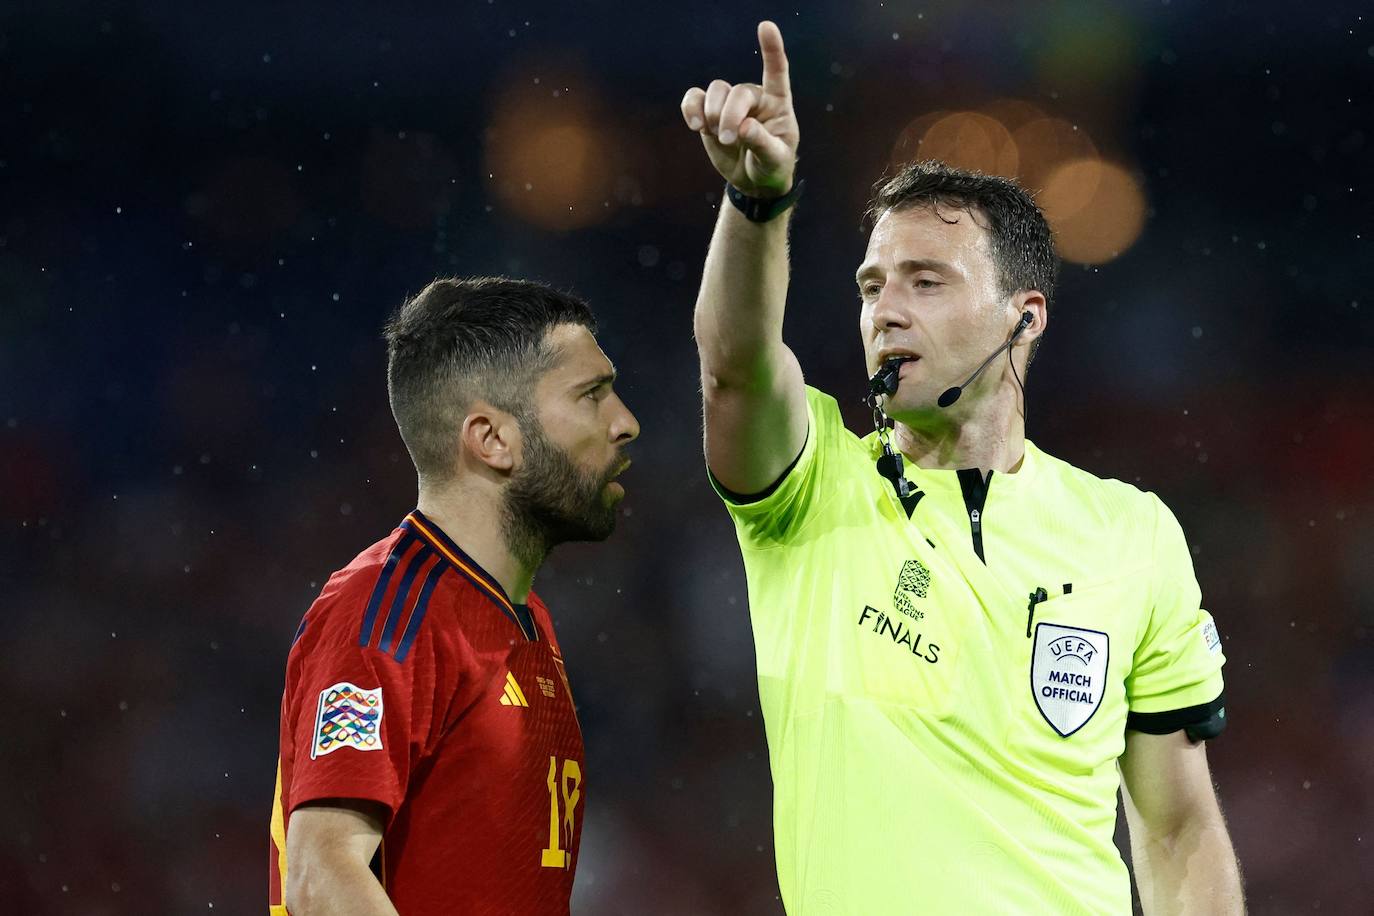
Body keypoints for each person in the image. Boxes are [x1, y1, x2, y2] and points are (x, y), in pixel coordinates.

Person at [680, 21, 1244, 915]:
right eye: (872, 287)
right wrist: (757, 203)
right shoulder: (810, 483)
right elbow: (735, 366)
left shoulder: (1131, 534)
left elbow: (1176, 825)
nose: (885, 312)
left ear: (1025, 319)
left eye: (925, 282)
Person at [267, 277, 639, 915]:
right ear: (492, 439)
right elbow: (320, 876)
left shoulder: (526, 620)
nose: (625, 422)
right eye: (591, 396)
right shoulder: (388, 615)